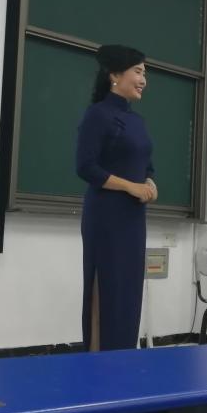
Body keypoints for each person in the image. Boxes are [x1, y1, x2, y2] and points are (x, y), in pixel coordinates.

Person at [75, 45, 158, 351]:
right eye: (138, 71)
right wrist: (129, 187)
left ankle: (124, 358)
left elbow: (146, 164)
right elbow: (86, 167)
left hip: (133, 218)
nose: (143, 80)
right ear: (114, 75)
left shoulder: (138, 121)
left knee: (128, 291)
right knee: (108, 290)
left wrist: (149, 182)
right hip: (106, 217)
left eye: (144, 73)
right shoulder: (97, 115)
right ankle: (101, 361)